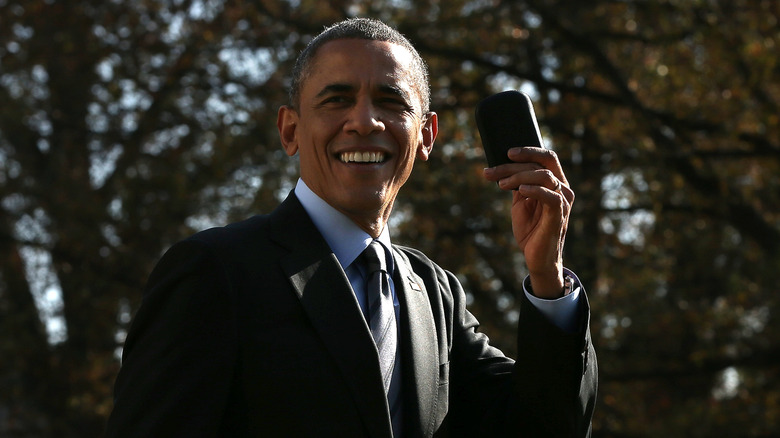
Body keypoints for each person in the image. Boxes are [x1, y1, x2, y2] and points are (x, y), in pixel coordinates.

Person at [105, 18, 597, 438]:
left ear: (426, 136)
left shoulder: (434, 293)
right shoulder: (214, 272)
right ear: (290, 130)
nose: (364, 121)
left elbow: (544, 427)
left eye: (390, 101)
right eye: (337, 100)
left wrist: (548, 277)